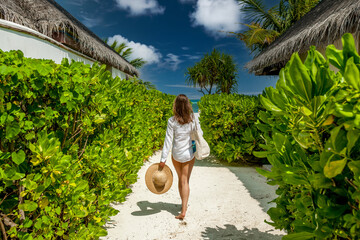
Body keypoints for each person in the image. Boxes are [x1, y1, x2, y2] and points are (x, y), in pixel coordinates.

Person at [159, 94, 203, 220]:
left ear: (175, 106)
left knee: (181, 180)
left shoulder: (171, 121)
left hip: (177, 154)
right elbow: (200, 134)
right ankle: (184, 209)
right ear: (188, 105)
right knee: (185, 181)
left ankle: (183, 207)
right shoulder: (193, 119)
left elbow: (168, 140)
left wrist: (163, 159)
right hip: (189, 154)